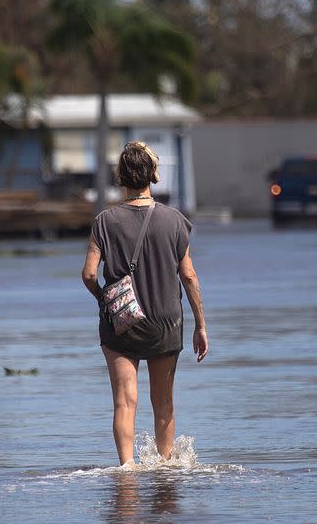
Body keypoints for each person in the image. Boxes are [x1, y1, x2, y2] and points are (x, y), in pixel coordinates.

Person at [81, 141, 208, 466]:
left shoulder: (104, 222)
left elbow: (89, 274)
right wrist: (201, 325)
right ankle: (165, 469)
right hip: (166, 323)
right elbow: (189, 276)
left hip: (121, 323)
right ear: (153, 175)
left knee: (125, 401)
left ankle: (126, 469)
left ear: (121, 177)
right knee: (163, 403)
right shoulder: (175, 220)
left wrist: (108, 301)